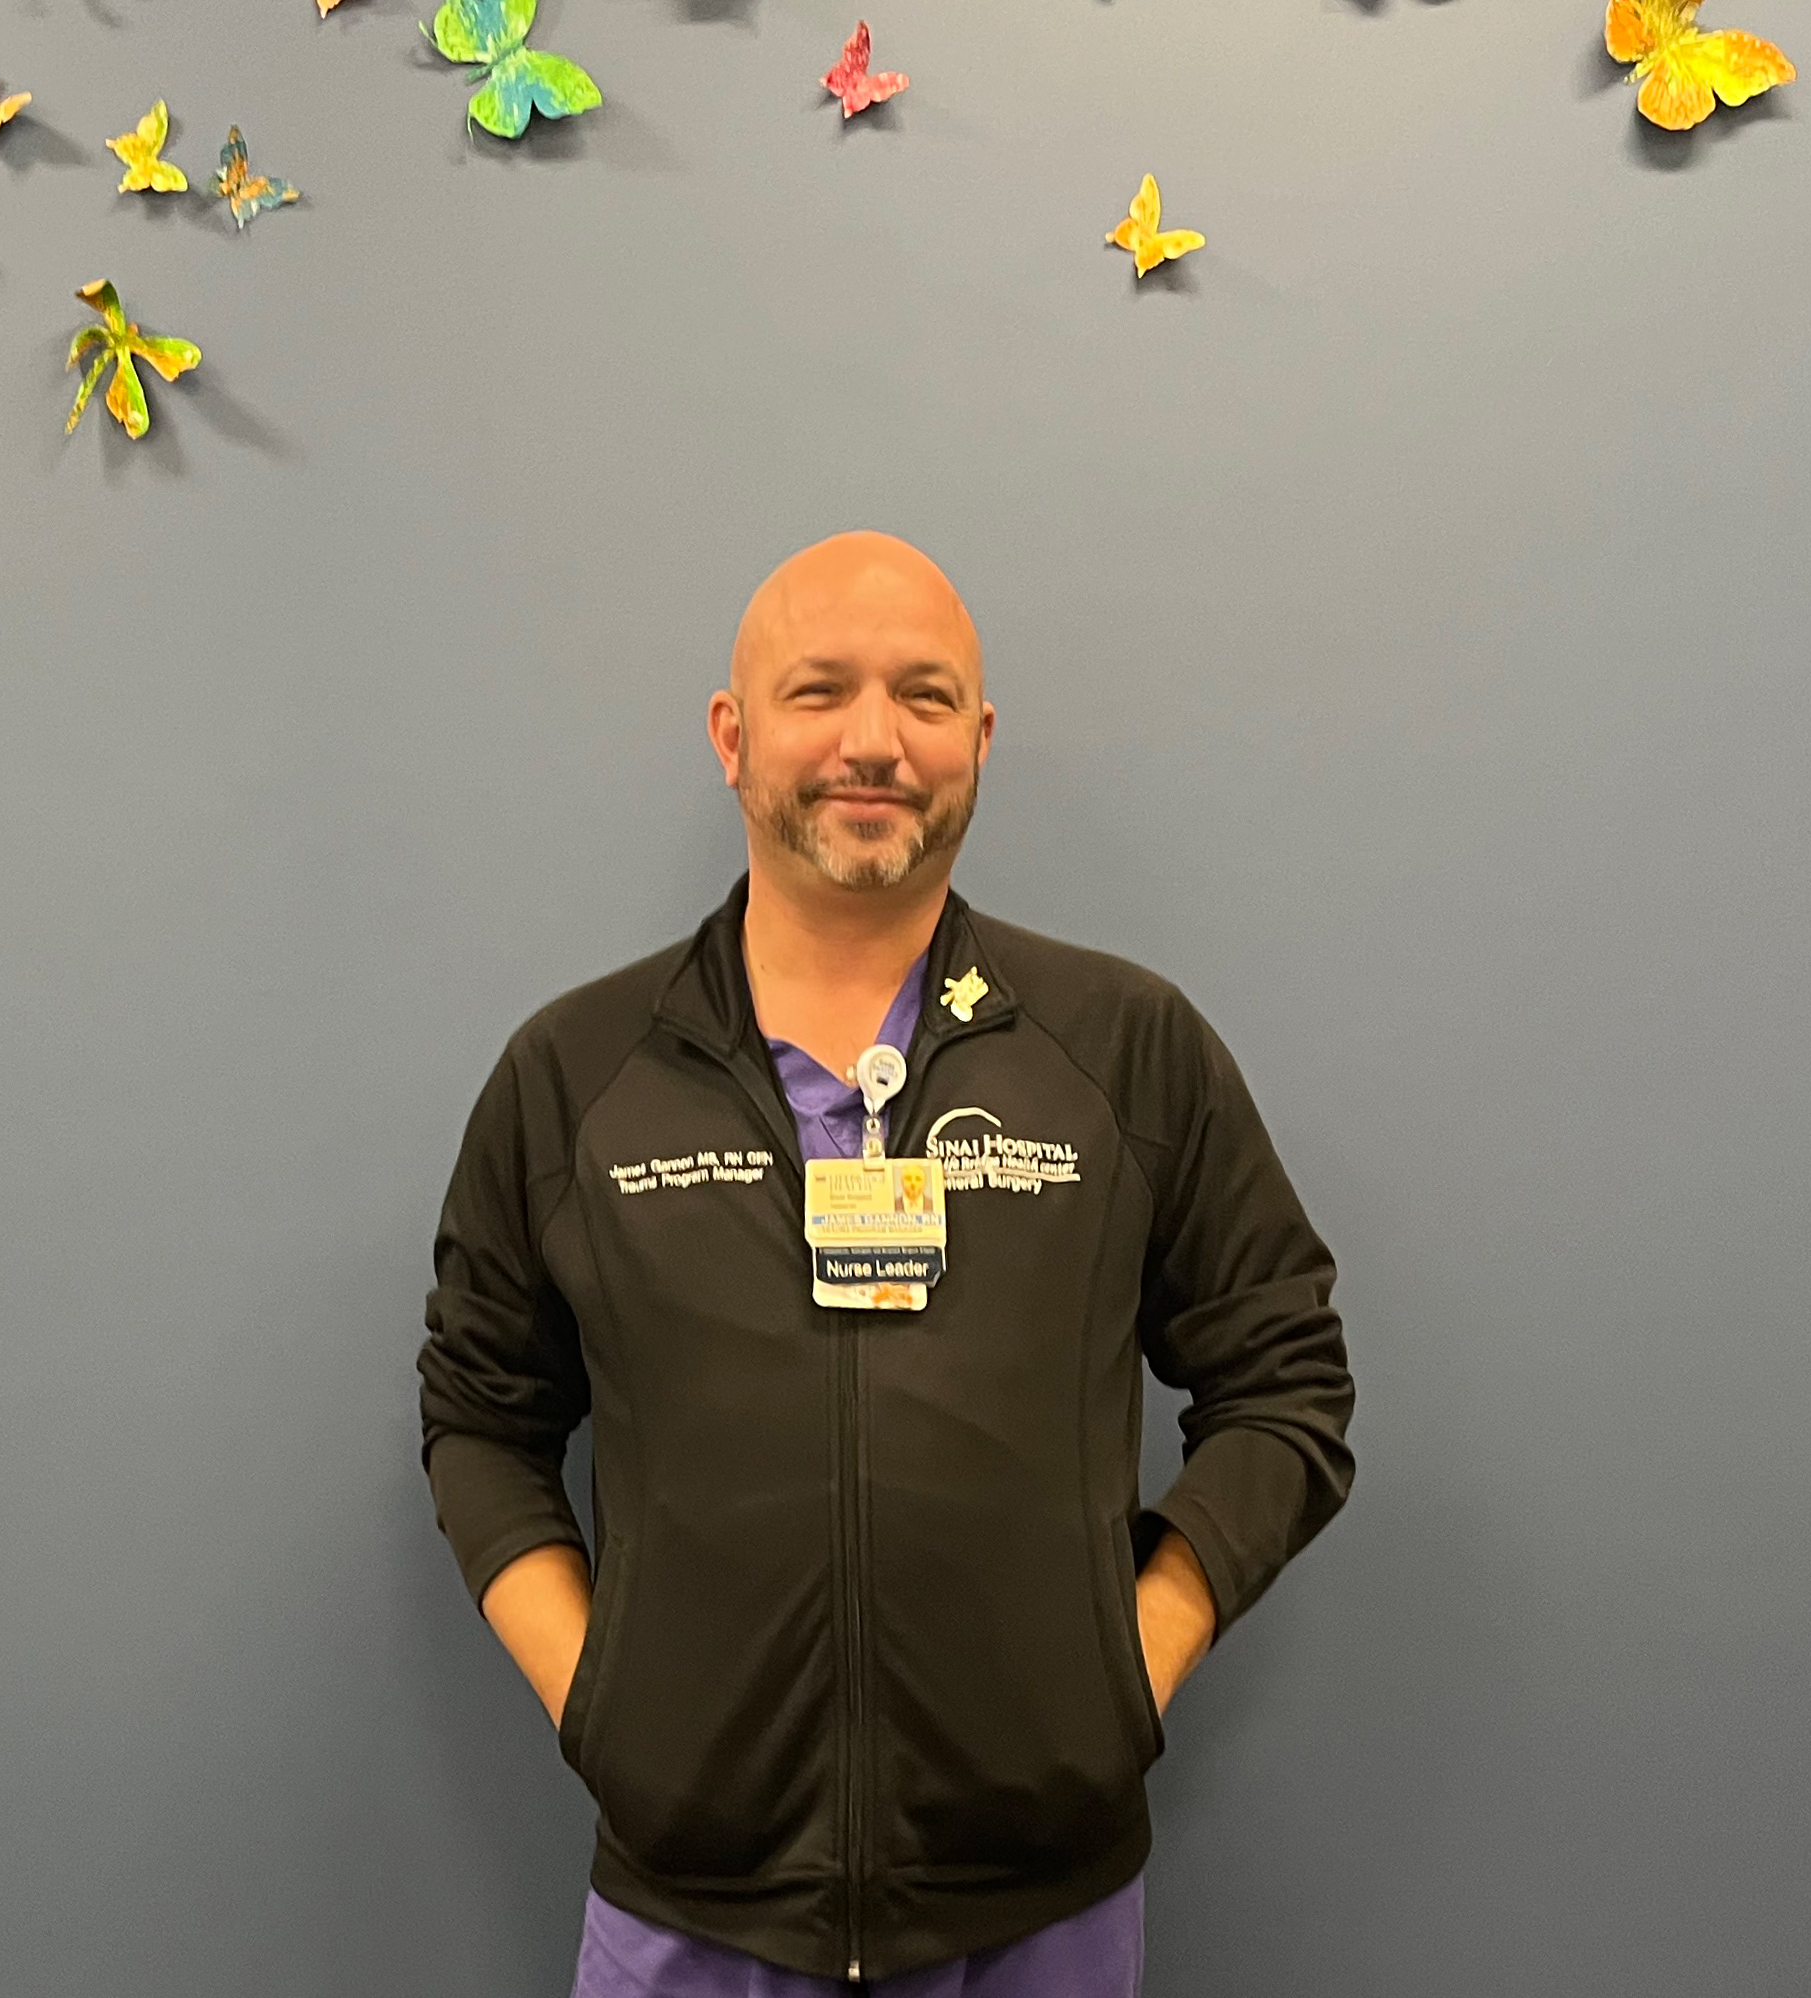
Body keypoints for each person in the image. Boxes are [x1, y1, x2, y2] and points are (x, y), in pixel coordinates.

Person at [414, 533, 1356, 1995]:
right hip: (690, 1915)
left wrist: (1133, 1660)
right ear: (732, 736)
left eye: (924, 697)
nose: (872, 741)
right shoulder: (577, 1075)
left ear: (977, 739)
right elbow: (478, 1414)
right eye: (818, 691)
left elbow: (1286, 1379)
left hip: (1041, 1914)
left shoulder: (1123, 1049)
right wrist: (600, 1698)